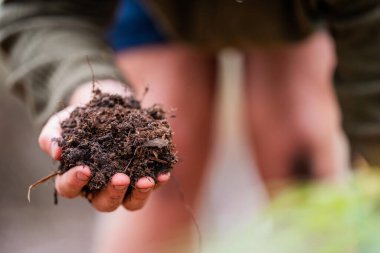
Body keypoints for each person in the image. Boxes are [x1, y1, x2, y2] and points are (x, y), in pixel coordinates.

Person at [0, 0, 379, 252]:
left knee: (300, 156)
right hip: (156, 7)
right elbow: (42, 9)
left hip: (289, 11)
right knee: (158, 185)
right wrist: (90, 92)